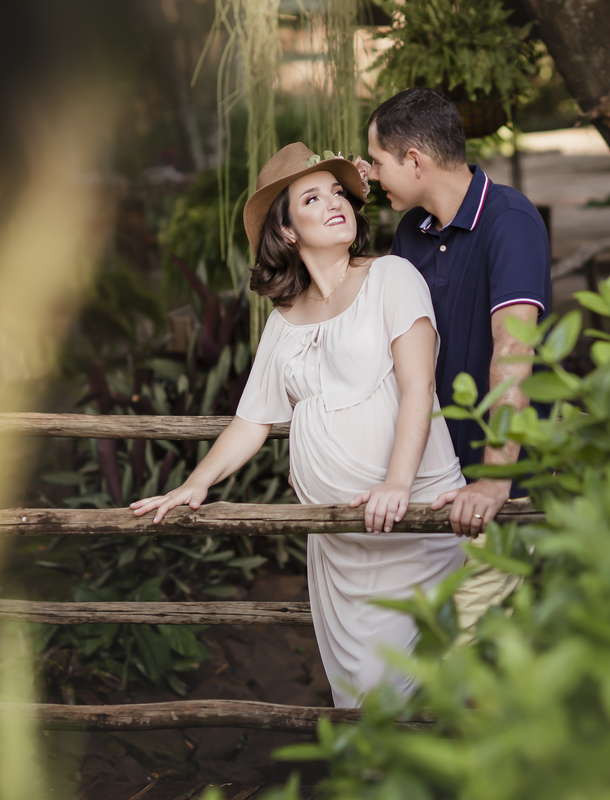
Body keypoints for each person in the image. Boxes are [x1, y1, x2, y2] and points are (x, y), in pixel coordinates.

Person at [130, 142, 467, 708]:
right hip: (337, 543)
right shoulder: (284, 321)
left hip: (411, 521)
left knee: (426, 693)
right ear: (287, 230)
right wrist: (197, 483)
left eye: (339, 192)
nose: (336, 203)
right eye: (313, 198)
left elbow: (419, 387)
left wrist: (397, 486)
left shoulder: (392, 277)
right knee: (363, 700)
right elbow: (252, 420)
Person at [363, 88, 552, 543]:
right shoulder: (411, 230)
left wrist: (494, 478)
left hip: (494, 487)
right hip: (429, 475)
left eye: (376, 161)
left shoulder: (511, 221)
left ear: (414, 161)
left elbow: (514, 348)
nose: (369, 173)